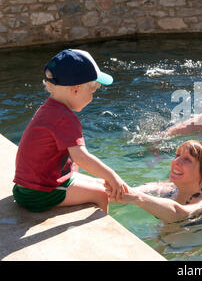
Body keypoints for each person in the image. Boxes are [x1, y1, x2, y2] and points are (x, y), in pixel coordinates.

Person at [12, 49, 128, 214]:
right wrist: (112, 175)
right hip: (38, 193)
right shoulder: (65, 118)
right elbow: (81, 158)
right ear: (76, 89)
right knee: (102, 194)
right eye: (92, 91)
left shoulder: (49, 108)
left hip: (27, 187)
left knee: (101, 184)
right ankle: (94, 237)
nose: (92, 98)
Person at [108, 140, 202, 223]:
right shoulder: (168, 189)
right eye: (177, 155)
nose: (176, 162)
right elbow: (127, 190)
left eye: (187, 159)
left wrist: (136, 198)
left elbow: (179, 214)